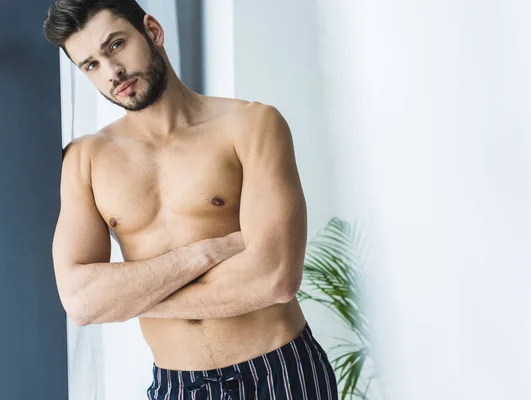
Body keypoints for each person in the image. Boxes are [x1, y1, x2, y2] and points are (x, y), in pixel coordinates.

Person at [44, 1, 338, 399]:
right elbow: (80, 302)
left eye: (115, 45)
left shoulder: (251, 125)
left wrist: (128, 300)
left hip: (280, 371)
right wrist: (211, 252)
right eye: (90, 65)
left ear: (153, 31)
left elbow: (275, 279)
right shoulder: (85, 160)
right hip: (176, 384)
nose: (112, 73)